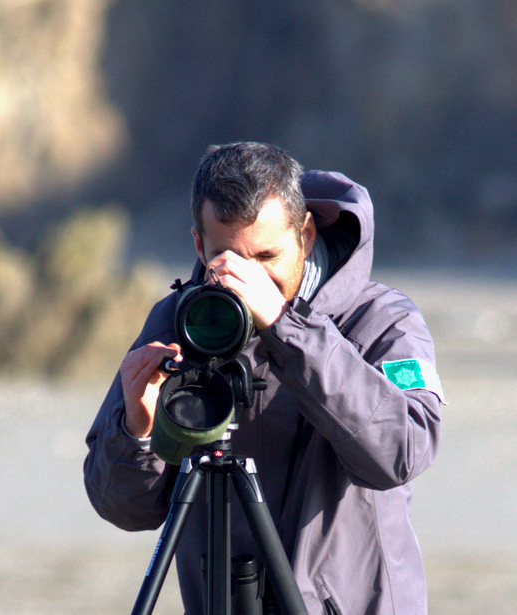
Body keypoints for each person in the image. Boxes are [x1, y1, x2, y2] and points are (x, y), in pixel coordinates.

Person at [83, 142, 444, 615]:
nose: (248, 279)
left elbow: (402, 451)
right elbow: (124, 509)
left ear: (306, 235)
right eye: (228, 257)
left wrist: (286, 328)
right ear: (199, 244)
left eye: (267, 256)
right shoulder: (180, 323)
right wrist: (139, 432)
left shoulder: (382, 322)